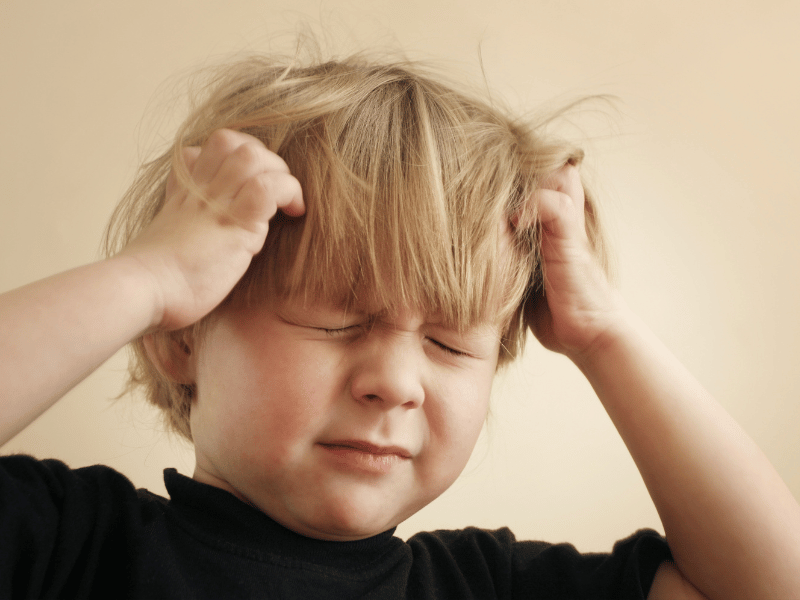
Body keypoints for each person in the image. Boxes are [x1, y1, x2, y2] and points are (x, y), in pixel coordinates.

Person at [1, 51, 798, 600]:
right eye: (337, 323)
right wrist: (152, 276)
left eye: (450, 342)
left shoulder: (485, 586)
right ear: (182, 337)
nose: (396, 383)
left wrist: (603, 332)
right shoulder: (73, 548)